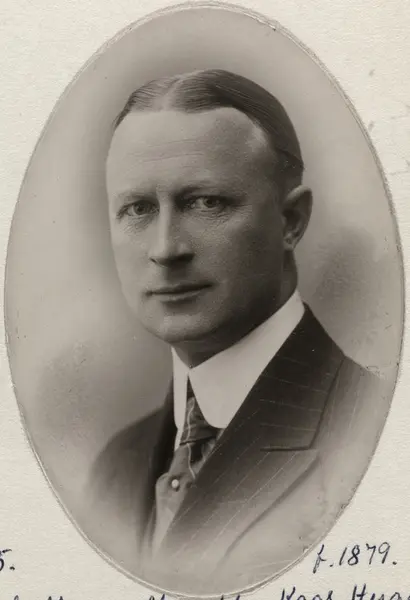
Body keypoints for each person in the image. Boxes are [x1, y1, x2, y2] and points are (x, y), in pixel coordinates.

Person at [86, 69, 379, 595]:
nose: (166, 249)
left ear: (291, 222)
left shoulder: (374, 433)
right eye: (138, 209)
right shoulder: (113, 468)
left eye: (207, 203)